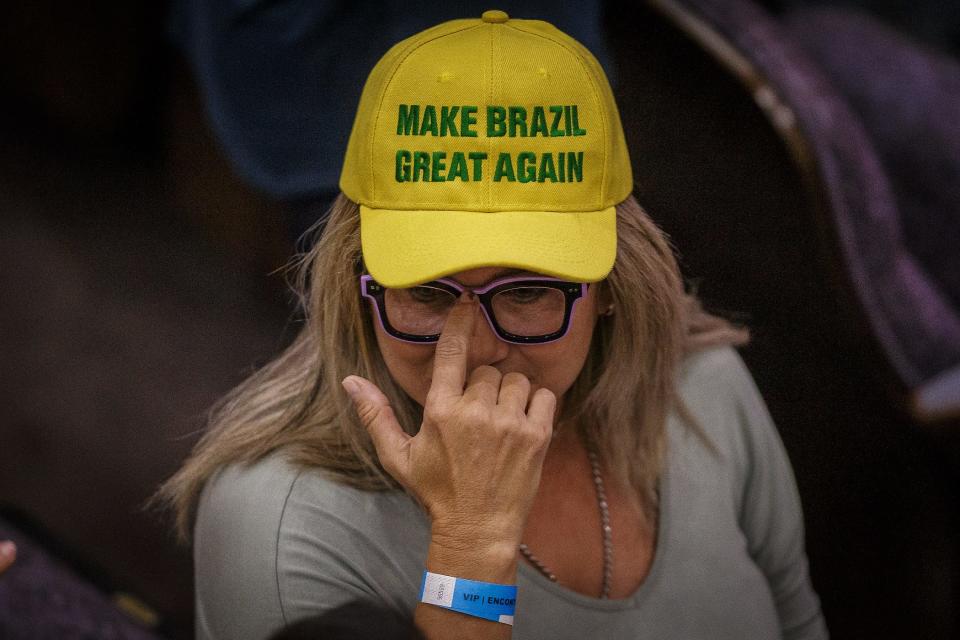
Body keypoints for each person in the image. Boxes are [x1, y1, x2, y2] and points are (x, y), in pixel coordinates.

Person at [156, 10, 828, 640]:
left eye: (529, 290)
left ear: (612, 287)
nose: (473, 351)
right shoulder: (279, 521)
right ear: (356, 286)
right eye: (426, 291)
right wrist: (471, 546)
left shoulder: (708, 390)